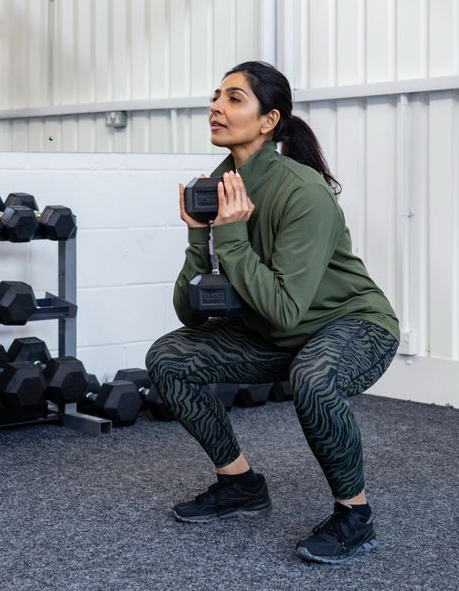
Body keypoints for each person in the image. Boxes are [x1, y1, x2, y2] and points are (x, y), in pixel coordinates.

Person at [146, 61, 400, 564]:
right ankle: (239, 483)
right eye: (216, 96)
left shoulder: (303, 191)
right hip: (274, 334)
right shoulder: (220, 185)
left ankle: (355, 514)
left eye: (234, 98)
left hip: (352, 326)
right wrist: (200, 230)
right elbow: (191, 314)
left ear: (269, 120)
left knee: (313, 376)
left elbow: (285, 308)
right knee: (168, 358)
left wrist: (232, 235)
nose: (216, 106)